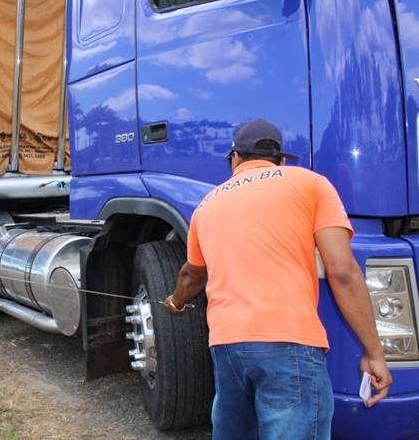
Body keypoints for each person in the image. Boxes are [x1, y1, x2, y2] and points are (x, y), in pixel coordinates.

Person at [163, 119, 391, 439]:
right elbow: (342, 270)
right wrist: (374, 353)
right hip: (289, 342)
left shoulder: (206, 205)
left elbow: (191, 275)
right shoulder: (310, 183)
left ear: (235, 159)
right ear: (281, 160)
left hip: (226, 346)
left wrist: (175, 302)